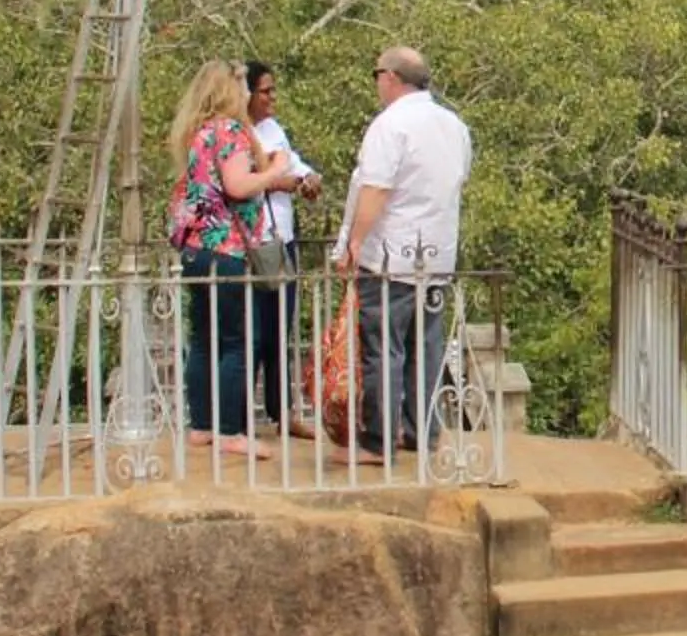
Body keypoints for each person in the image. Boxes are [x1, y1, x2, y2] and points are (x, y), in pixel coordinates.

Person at [333, 45, 474, 456]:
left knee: (383, 347)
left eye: (377, 74)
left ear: (391, 77)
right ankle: (421, 431)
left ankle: (379, 439)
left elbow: (375, 189)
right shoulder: (454, 126)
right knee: (425, 347)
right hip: (436, 254)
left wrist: (354, 241)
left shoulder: (390, 125)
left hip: (391, 254)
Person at [165, 59, 303, 453]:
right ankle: (230, 430)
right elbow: (238, 185)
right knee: (240, 339)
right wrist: (275, 171)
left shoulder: (200, 132)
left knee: (204, 338)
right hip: (226, 247)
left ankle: (202, 424)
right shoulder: (229, 131)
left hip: (196, 248)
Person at [242, 59, 323, 431]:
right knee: (250, 332)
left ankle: (282, 411)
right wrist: (278, 182)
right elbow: (236, 180)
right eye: (265, 91)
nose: (272, 97)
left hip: (280, 240)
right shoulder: (234, 133)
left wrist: (307, 179)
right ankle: (237, 415)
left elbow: (294, 166)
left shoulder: (273, 130)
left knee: (279, 328)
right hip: (248, 242)